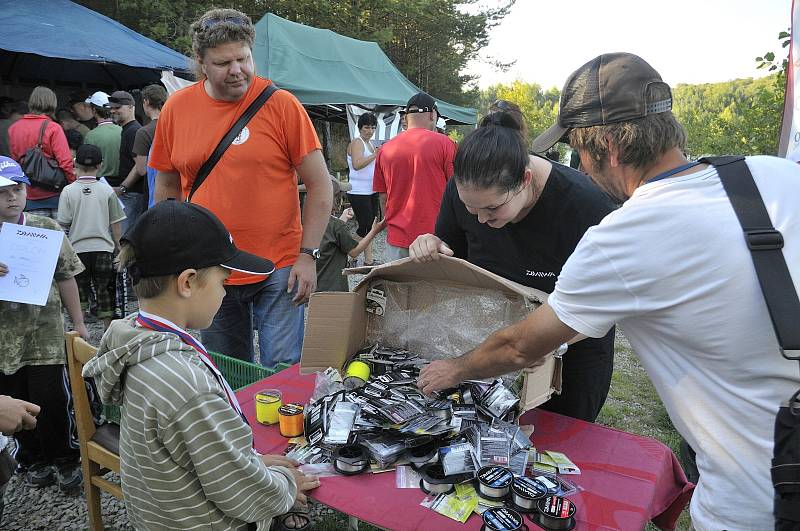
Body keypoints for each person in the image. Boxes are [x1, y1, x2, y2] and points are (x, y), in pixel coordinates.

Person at [417, 52, 800, 531]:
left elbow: (519, 347)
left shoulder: (623, 234)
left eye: (579, 147)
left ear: (609, 149)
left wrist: (455, 369)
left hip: (759, 495)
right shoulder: (776, 175)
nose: (578, 163)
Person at [82, 200, 320, 530]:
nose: (224, 294)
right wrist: (285, 483)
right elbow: (240, 493)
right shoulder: (186, 383)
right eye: (223, 282)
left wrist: (246, 463)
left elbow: (197, 455)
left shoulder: (137, 343)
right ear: (188, 282)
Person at [409, 108, 616, 422]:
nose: (481, 219)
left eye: (493, 208)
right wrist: (431, 246)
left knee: (556, 446)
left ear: (525, 180)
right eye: (470, 208)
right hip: (488, 347)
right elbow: (452, 256)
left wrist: (546, 345)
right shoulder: (464, 190)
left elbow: (604, 306)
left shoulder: (587, 207)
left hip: (569, 353)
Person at [151, 8, 332, 366]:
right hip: (208, 267)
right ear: (201, 62)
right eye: (223, 63)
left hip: (278, 266)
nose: (237, 70)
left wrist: (307, 255)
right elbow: (167, 187)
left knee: (281, 372)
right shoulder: (177, 109)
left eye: (243, 59)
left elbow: (320, 186)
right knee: (227, 371)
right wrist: (170, 255)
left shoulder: (282, 106)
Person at [0, 158, 87, 492]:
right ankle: (32, 458)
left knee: (52, 401)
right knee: (13, 401)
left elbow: (66, 277)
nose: (12, 197)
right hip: (5, 343)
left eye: (17, 189)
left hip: (45, 335)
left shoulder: (45, 228)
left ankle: (65, 458)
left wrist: (78, 324)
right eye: (3, 192)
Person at [373, 92, 457, 261]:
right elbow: (457, 191)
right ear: (432, 114)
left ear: (406, 117)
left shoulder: (385, 149)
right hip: (435, 241)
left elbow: (383, 197)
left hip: (397, 238)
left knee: (397, 287)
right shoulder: (446, 144)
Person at [57, 144, 125, 330]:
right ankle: (107, 329)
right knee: (106, 290)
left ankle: (80, 327)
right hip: (103, 248)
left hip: (77, 250)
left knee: (79, 290)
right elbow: (116, 223)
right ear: (100, 166)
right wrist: (119, 249)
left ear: (75, 164)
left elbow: (63, 223)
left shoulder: (68, 191)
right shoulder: (107, 191)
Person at [8, 86, 76, 218]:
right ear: (52, 103)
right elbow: (65, 162)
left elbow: (14, 162)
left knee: (34, 237)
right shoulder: (53, 128)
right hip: (55, 195)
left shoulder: (13, 128)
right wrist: (73, 185)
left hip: (27, 196)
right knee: (60, 237)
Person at [318, 180, 386, 292]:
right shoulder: (337, 226)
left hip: (317, 286)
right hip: (335, 289)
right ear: (336, 200)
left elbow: (330, 233)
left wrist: (342, 220)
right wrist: (374, 231)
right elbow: (354, 251)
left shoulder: (312, 222)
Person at [346, 112, 381, 266]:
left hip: (370, 190)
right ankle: (348, 254)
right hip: (358, 191)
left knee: (370, 227)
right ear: (360, 127)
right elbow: (357, 164)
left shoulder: (370, 144)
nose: (370, 130)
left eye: (373, 127)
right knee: (365, 227)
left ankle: (368, 260)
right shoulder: (357, 142)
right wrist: (375, 155)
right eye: (367, 127)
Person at [108, 91, 144, 231]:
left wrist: (123, 188)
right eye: (111, 107)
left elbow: (140, 165)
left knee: (123, 239)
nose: (112, 111)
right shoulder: (128, 130)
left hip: (132, 194)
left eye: (117, 107)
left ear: (131, 107)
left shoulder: (133, 131)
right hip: (131, 194)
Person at [132, 84, 167, 208]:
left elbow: (142, 170)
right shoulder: (175, 126)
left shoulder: (144, 132)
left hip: (154, 193)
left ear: (146, 102)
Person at [83, 91, 121, 181]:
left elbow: (87, 165)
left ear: (94, 110)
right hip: (122, 182)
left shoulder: (90, 136)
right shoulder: (122, 130)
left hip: (100, 183)